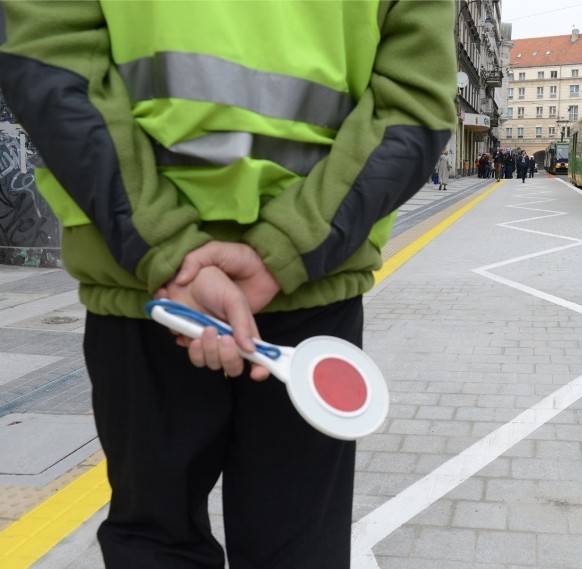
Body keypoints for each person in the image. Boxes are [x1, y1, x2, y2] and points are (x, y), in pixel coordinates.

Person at [0, 2, 456, 568]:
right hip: (308, 291)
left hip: (144, 287)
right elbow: (415, 104)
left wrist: (168, 249)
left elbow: (48, 65)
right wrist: (282, 252)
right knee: (298, 547)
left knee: (156, 541)